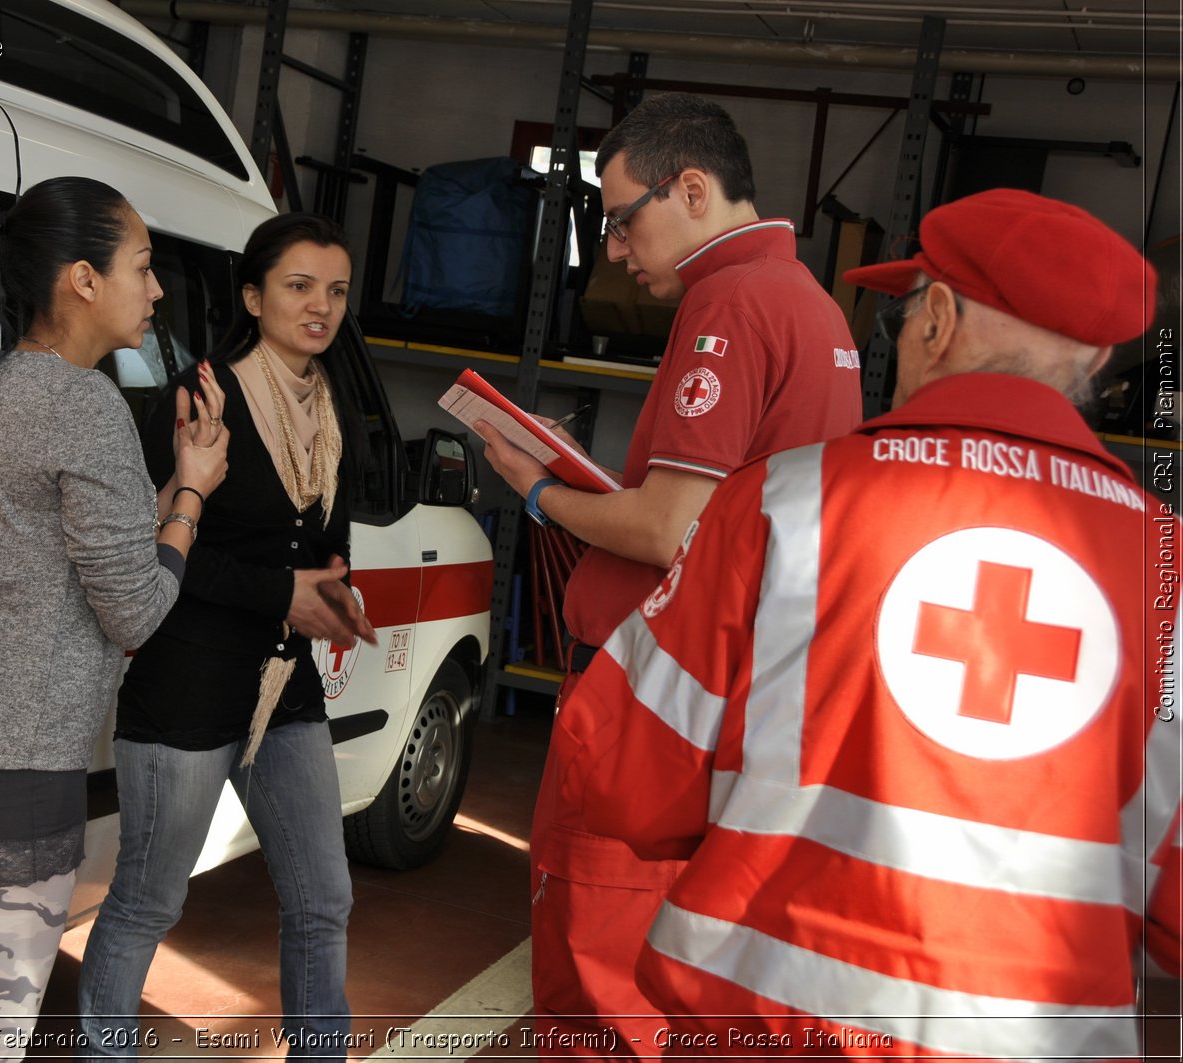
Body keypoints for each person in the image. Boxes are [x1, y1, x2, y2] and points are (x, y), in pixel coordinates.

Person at [560, 187, 1181, 1057]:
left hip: (767, 1027)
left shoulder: (784, 502)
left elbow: (626, 779)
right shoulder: (1170, 571)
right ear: (1099, 356)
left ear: (933, 319)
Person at [473, 92, 864, 1049]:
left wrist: (535, 489)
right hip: (736, 698)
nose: (610, 247)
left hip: (652, 700)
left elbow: (665, 530)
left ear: (692, 189)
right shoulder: (810, 303)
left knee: (598, 967)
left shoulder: (729, 301)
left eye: (619, 217)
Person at [0, 176, 229, 1061]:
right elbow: (137, 608)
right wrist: (191, 491)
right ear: (83, 278)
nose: (156, 291)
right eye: (144, 268)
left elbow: (88, 541)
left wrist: (175, 486)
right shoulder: (84, 404)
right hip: (13, 759)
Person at [77, 212, 377, 1061]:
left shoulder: (332, 403)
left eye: (337, 291)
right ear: (252, 295)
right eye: (299, 286)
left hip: (287, 687)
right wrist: (286, 592)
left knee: (324, 897)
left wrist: (335, 589)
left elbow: (323, 537)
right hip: (188, 687)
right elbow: (161, 543)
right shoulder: (205, 394)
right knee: (145, 901)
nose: (321, 306)